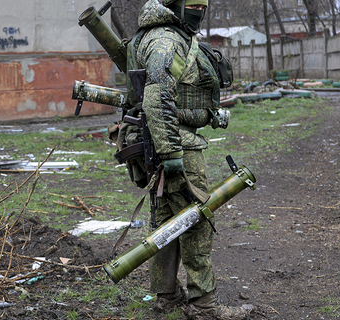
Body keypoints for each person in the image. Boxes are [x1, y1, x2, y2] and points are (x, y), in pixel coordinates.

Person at [125, 0, 254, 319]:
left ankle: (167, 295)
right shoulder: (166, 40)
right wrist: (171, 155)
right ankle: (204, 304)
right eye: (192, 4)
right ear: (173, 4)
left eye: (202, 4)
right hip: (176, 145)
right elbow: (156, 98)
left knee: (168, 220)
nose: (199, 10)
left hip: (160, 140)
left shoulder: (153, 33)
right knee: (196, 220)